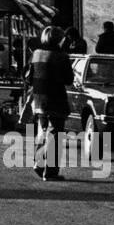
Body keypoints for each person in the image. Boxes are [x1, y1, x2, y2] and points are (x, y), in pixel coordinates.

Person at [28, 26, 73, 180]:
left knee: (42, 131)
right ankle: (51, 172)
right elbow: (69, 80)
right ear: (60, 39)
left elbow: (28, 78)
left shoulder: (36, 54)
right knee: (55, 135)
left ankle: (39, 165)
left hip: (39, 99)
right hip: (56, 99)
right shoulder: (62, 56)